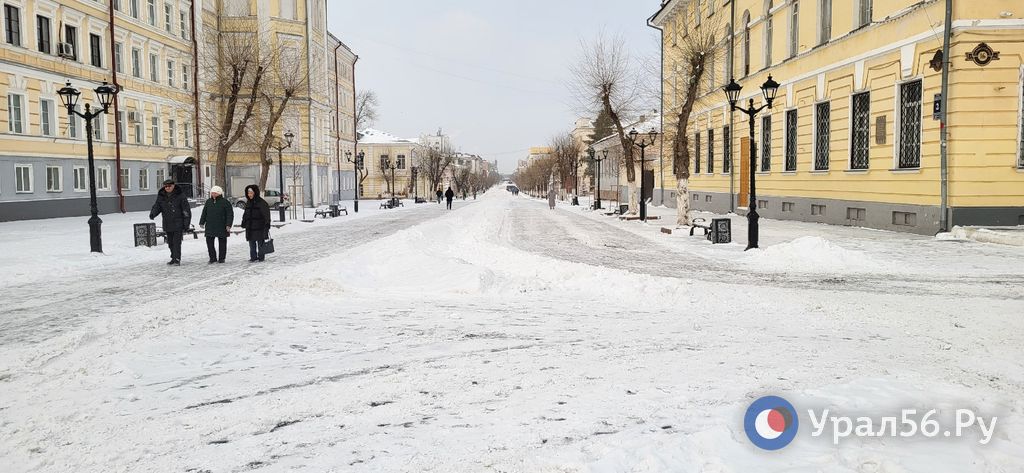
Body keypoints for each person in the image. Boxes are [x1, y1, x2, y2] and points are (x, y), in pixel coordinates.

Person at [150, 179, 191, 266]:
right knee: (170, 243)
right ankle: (173, 257)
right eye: (166, 186)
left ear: (173, 186)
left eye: (169, 186)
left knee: (176, 242)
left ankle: (177, 259)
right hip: (167, 222)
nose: (167, 188)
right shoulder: (161, 195)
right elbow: (157, 206)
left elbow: (186, 210)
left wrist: (186, 223)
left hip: (178, 222)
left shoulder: (180, 195)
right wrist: (153, 213)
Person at [199, 185, 234, 264]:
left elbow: (230, 214)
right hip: (210, 226)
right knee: (209, 243)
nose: (213, 195)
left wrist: (228, 225)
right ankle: (212, 258)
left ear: (219, 193)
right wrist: (202, 222)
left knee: (222, 243)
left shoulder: (225, 202)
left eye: (215, 193)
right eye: (212, 193)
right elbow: (204, 212)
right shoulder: (208, 202)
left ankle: (222, 258)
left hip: (222, 225)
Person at [241, 184, 272, 262]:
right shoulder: (248, 202)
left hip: (259, 227)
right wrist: (244, 222)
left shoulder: (262, 203)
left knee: (260, 242)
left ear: (255, 193)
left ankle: (261, 257)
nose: (249, 195)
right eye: (248, 193)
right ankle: (253, 257)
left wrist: (267, 224)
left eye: (251, 193)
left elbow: (266, 215)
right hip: (250, 227)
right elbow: (246, 213)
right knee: (251, 243)